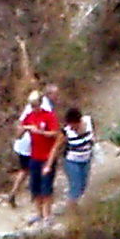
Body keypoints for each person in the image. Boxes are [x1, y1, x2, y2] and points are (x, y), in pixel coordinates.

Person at [15, 87, 62, 225]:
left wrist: (41, 132)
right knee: (35, 187)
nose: (34, 108)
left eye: (36, 105)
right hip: (34, 156)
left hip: (47, 156)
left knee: (46, 187)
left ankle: (47, 215)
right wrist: (22, 129)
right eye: (32, 105)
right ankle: (39, 214)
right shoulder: (29, 117)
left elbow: (56, 134)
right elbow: (19, 134)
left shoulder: (49, 116)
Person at [59, 98, 97, 214]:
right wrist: (49, 164)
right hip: (72, 161)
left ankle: (75, 208)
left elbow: (93, 134)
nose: (71, 127)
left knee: (83, 185)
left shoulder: (89, 121)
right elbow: (57, 146)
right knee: (75, 185)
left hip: (86, 159)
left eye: (72, 125)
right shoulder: (66, 131)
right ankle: (71, 211)